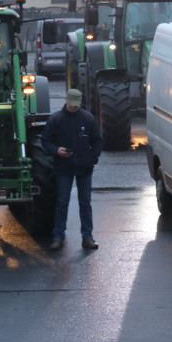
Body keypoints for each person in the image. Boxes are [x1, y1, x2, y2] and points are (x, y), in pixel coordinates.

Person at [41, 89, 104, 251]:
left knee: (85, 202)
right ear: (66, 100)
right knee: (62, 201)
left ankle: (87, 237)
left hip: (84, 168)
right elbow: (46, 141)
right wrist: (57, 151)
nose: (74, 107)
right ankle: (58, 236)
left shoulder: (88, 119)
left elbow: (97, 141)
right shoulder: (55, 119)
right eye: (72, 104)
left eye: (77, 105)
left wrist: (92, 159)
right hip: (64, 167)